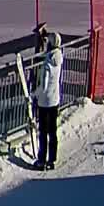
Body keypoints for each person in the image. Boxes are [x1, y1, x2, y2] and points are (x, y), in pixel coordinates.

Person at [32, 29, 65, 170]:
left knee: (43, 132)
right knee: (53, 131)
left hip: (44, 102)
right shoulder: (59, 57)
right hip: (55, 99)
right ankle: (52, 160)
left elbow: (43, 86)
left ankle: (41, 160)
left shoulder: (47, 64)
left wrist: (34, 94)